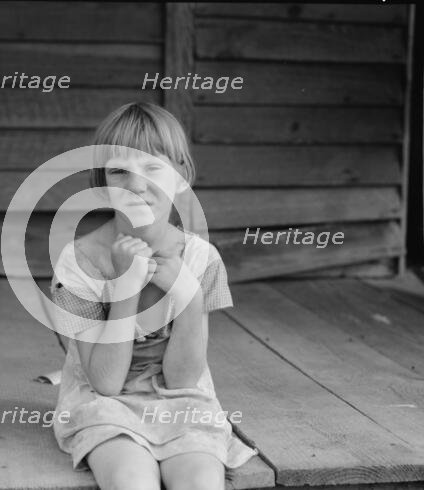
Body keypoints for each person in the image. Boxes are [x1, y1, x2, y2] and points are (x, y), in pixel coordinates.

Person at [50, 102, 258, 490]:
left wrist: (189, 297)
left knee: (199, 481)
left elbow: (183, 378)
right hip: (103, 405)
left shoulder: (199, 258)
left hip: (183, 402)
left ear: (181, 176)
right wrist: (125, 288)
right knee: (132, 480)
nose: (137, 186)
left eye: (153, 167)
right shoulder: (78, 261)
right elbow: (105, 383)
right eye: (119, 172)